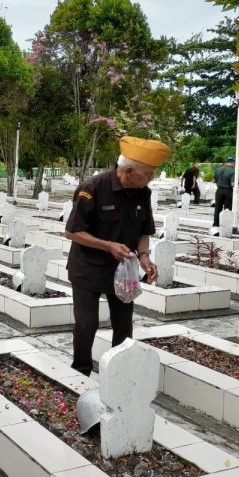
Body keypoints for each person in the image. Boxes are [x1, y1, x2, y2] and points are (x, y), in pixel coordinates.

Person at [65, 136, 170, 377]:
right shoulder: (92, 189)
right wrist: (108, 245)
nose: (151, 179)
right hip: (88, 269)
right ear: (129, 171)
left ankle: (120, 371)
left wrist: (144, 256)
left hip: (123, 271)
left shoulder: (142, 192)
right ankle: (80, 371)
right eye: (148, 174)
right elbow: (72, 232)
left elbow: (144, 229)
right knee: (87, 323)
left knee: (124, 323)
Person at [212, 157, 235, 227]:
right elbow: (232, 184)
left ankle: (216, 224)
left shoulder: (218, 169)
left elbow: (213, 180)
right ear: (233, 163)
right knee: (227, 209)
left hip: (219, 191)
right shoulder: (232, 171)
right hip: (228, 191)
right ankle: (225, 225)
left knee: (217, 208)